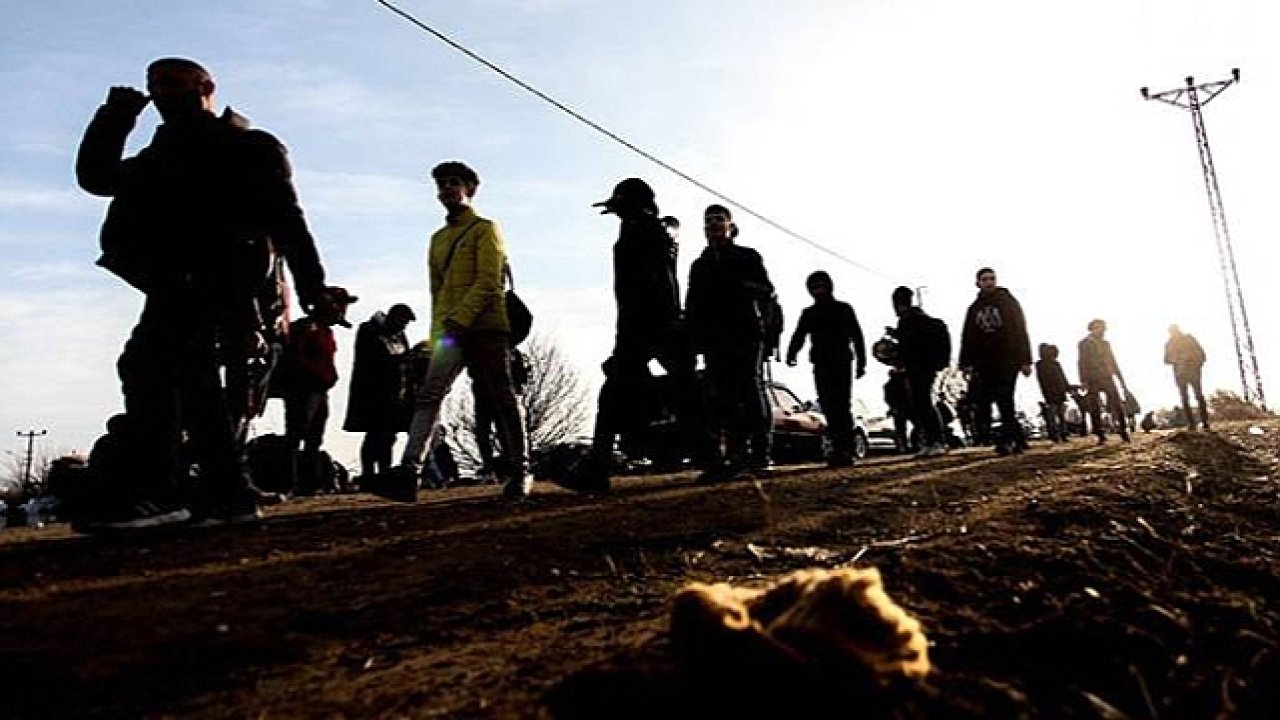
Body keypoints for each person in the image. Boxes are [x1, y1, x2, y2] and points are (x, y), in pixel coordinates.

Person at [74, 57, 336, 530]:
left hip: (222, 277)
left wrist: (312, 287)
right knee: (191, 379)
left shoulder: (249, 147)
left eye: (174, 83)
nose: (162, 93)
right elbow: (97, 177)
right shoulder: (159, 155)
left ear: (206, 87)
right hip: (172, 280)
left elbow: (288, 221)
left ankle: (163, 491)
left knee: (149, 366)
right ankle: (226, 494)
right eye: (156, 85)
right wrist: (116, 116)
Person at [372, 161, 530, 502]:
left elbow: (490, 281)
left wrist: (461, 318)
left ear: (471, 188)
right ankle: (409, 472)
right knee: (429, 395)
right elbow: (437, 293)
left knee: (502, 396)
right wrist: (436, 337)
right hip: (450, 332)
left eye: (453, 183)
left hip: (486, 328)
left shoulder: (485, 228)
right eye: (441, 185)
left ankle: (519, 470)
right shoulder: (438, 239)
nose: (446, 190)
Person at [559, 179, 688, 492]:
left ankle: (598, 469)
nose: (615, 214)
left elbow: (648, 285)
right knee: (678, 391)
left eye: (619, 207)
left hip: (646, 325)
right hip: (651, 324)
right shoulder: (650, 230)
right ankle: (598, 469)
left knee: (677, 392)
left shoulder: (644, 231)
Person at [685, 204, 776, 482]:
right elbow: (693, 304)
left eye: (719, 219)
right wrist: (692, 338)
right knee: (720, 397)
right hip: (714, 339)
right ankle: (733, 457)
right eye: (708, 220)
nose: (713, 224)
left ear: (731, 226)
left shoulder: (748, 257)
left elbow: (767, 292)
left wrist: (767, 333)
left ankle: (760, 455)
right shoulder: (700, 265)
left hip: (745, 334)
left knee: (750, 389)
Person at [785, 271, 867, 466]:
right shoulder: (809, 313)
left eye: (821, 286)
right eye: (814, 288)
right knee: (829, 406)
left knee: (842, 405)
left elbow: (857, 336)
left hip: (841, 362)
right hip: (821, 363)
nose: (818, 291)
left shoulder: (843, 309)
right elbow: (799, 334)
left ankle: (845, 449)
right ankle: (839, 449)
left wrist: (861, 362)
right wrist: (791, 353)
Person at [278, 288, 355, 494]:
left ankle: (308, 484)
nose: (344, 310)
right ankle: (288, 483)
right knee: (296, 433)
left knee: (314, 437)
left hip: (319, 390)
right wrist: (316, 376)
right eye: (341, 305)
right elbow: (295, 357)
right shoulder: (306, 328)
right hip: (303, 389)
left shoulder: (326, 331)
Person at [958, 267, 1032, 455]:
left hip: (1008, 358)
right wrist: (965, 362)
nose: (989, 282)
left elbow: (1020, 329)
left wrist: (1025, 359)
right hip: (985, 362)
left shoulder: (1008, 302)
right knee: (994, 399)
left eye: (992, 278)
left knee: (1005, 397)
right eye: (985, 279)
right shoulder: (974, 309)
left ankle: (1007, 441)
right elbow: (968, 336)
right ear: (978, 283)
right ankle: (1017, 438)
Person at [343, 303, 416, 480]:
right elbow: (370, 361)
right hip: (373, 394)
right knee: (375, 434)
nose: (403, 327)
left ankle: (385, 471)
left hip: (395, 393)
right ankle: (369, 473)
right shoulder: (369, 331)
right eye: (402, 322)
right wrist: (402, 359)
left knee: (389, 435)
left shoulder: (399, 336)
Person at [889, 287, 950, 457]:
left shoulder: (913, 321)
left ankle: (937, 441)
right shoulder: (912, 321)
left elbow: (911, 345)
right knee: (919, 404)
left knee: (923, 403)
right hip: (917, 368)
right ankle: (932, 441)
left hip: (921, 367)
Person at [472, 346, 530, 481]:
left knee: (504, 431)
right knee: (484, 431)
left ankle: (510, 465)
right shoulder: (481, 351)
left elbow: (521, 376)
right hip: (484, 394)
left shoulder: (513, 353)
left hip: (502, 396)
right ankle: (491, 466)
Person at [1077, 319, 1131, 444]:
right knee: (1095, 407)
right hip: (1092, 378)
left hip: (1107, 376)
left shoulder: (1106, 343)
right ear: (1092, 329)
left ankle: (1123, 431)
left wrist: (1121, 379)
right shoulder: (1084, 344)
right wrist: (1083, 380)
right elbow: (1081, 362)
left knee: (1117, 403)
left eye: (1102, 328)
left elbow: (1113, 360)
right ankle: (1100, 433)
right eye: (1098, 328)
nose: (1101, 330)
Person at [1164, 324, 1210, 430]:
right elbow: (1166, 360)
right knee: (1185, 398)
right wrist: (1176, 359)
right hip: (1180, 374)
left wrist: (1195, 362)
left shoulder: (1189, 339)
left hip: (1193, 372)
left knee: (1198, 395)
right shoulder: (1169, 344)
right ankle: (1191, 423)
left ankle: (1205, 421)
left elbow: (1202, 354)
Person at [1034, 343, 1071, 442]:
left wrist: (1067, 387)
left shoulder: (1052, 364)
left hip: (1057, 391)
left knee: (1059, 414)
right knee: (1055, 414)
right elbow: (1044, 380)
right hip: (1052, 391)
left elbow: (1062, 377)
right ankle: (1056, 434)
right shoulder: (1042, 365)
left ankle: (1061, 434)